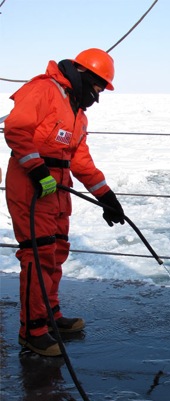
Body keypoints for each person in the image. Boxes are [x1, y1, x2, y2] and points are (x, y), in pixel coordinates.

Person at [4, 48, 126, 357]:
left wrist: (105, 196)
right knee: (38, 253)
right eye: (97, 89)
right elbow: (17, 129)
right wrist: (37, 169)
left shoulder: (77, 113)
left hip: (58, 186)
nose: (96, 97)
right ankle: (32, 331)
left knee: (56, 251)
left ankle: (49, 315)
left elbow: (80, 159)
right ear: (83, 75)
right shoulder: (43, 90)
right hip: (31, 183)